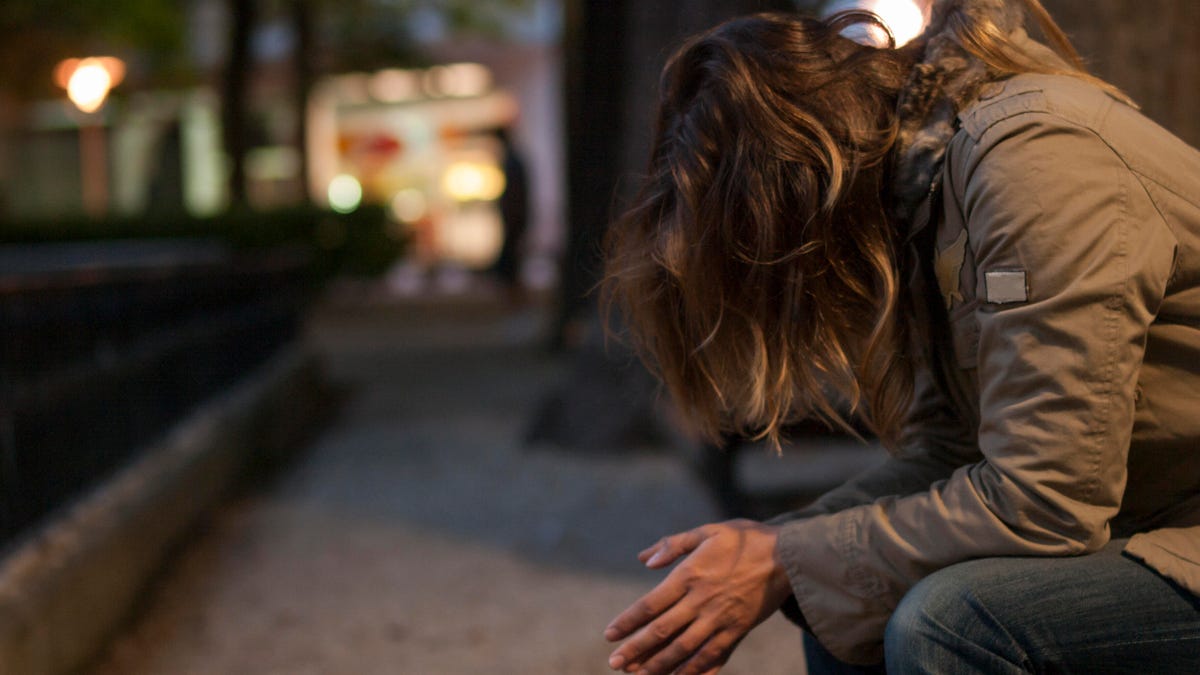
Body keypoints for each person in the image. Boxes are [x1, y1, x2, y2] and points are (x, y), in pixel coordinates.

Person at [599, 0, 1200, 673]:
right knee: (838, 605)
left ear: (802, 191)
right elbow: (949, 449)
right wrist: (779, 545)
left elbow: (1046, 499)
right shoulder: (926, 186)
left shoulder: (1031, 164)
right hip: (1159, 524)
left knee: (949, 622)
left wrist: (790, 556)